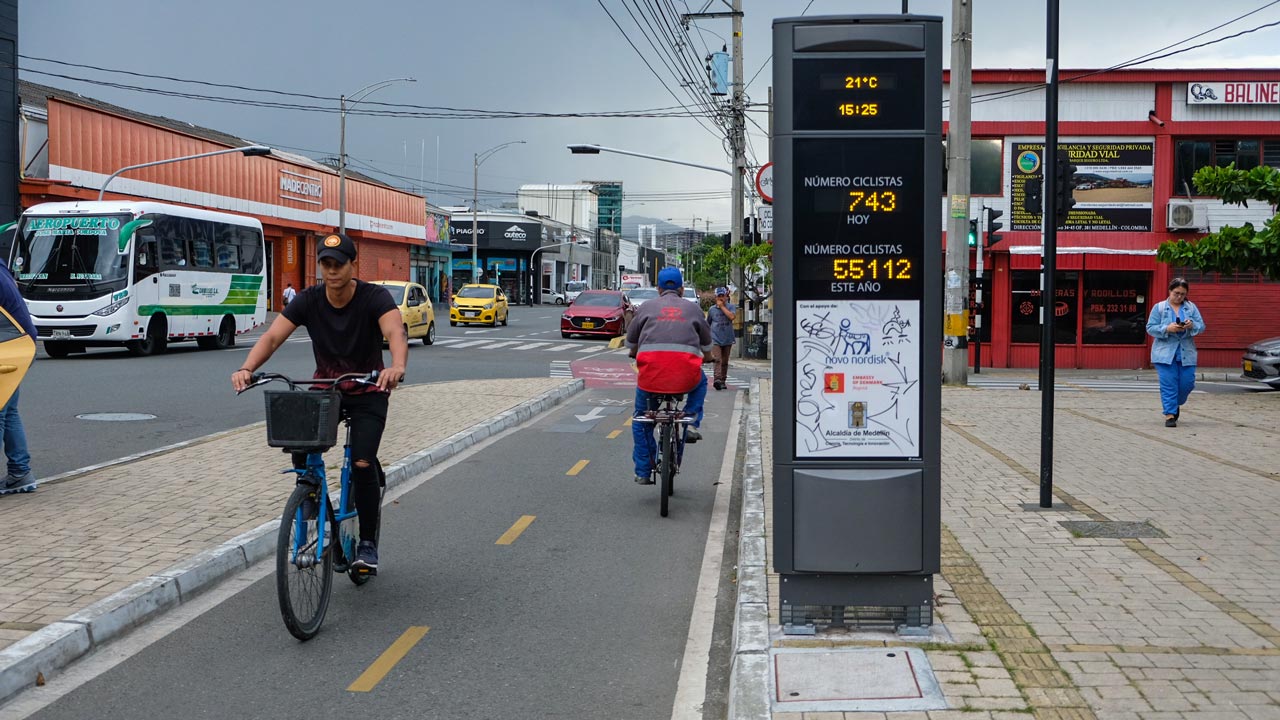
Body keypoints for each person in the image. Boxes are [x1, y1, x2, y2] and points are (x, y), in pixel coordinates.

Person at [232, 232, 407, 574]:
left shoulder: (374, 297)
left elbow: (395, 332)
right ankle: (314, 505)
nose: (332, 271)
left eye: (338, 264)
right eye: (325, 264)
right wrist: (246, 368)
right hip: (328, 389)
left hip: (369, 390)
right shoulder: (309, 300)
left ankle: (367, 543)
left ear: (353, 264)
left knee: (361, 462)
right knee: (300, 448)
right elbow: (272, 336)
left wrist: (397, 366)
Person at [625, 267, 711, 485]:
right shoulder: (694, 309)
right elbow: (707, 344)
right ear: (681, 289)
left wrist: (634, 352)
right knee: (701, 381)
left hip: (651, 380)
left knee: (641, 420)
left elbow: (631, 342)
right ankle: (692, 420)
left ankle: (644, 471)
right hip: (686, 378)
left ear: (658, 289)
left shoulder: (646, 307)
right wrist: (709, 357)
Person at [1145, 277, 1204, 428]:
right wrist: (1167, 328)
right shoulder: (1159, 307)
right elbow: (1150, 327)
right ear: (1170, 291)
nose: (1179, 297)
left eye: (1182, 294)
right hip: (1164, 354)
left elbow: (1201, 326)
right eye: (1176, 293)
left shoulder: (1191, 308)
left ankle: (1175, 403)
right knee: (1169, 384)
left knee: (1187, 384)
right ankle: (1170, 415)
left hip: (1186, 352)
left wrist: (1192, 325)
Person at [0, 260, 36, 495]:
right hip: (21, 345)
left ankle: (20, 472)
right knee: (8, 410)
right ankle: (20, 473)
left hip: (8, 346)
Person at [707, 286, 737, 390]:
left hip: (727, 338)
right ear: (715, 297)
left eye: (722, 296)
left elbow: (732, 317)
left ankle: (723, 380)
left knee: (725, 361)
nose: (721, 298)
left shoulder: (731, 307)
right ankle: (717, 380)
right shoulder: (712, 310)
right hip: (715, 339)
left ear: (726, 297)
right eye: (718, 296)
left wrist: (722, 307)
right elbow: (708, 323)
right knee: (717, 359)